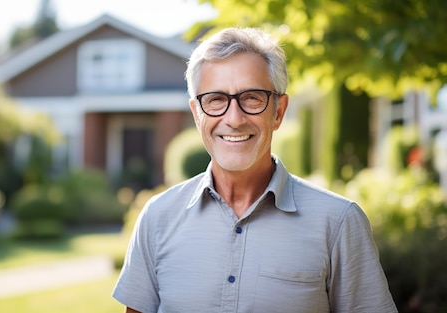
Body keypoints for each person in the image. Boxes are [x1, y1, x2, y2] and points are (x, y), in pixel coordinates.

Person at [112, 27, 397, 313]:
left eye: (252, 98)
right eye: (215, 100)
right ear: (197, 114)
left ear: (278, 111)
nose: (234, 119)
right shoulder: (157, 217)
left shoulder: (338, 222)